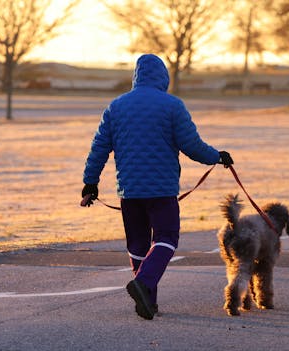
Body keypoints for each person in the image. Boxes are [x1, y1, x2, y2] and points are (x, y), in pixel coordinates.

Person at [82, 54, 234, 320]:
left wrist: (90, 183)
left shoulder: (116, 107)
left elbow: (99, 148)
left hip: (129, 190)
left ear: (136, 76)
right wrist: (217, 156)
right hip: (162, 190)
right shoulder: (172, 105)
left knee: (138, 245)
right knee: (166, 238)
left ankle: (147, 302)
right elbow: (191, 145)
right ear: (164, 77)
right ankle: (143, 284)